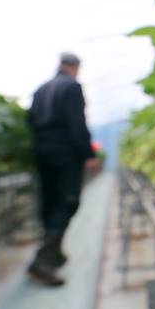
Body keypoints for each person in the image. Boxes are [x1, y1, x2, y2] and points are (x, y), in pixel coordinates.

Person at [27, 52, 100, 286]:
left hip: (42, 150)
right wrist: (88, 154)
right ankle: (43, 261)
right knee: (68, 200)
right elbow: (76, 122)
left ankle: (54, 253)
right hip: (65, 152)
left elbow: (30, 120)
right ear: (74, 67)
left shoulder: (40, 89)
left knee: (49, 202)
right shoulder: (72, 87)